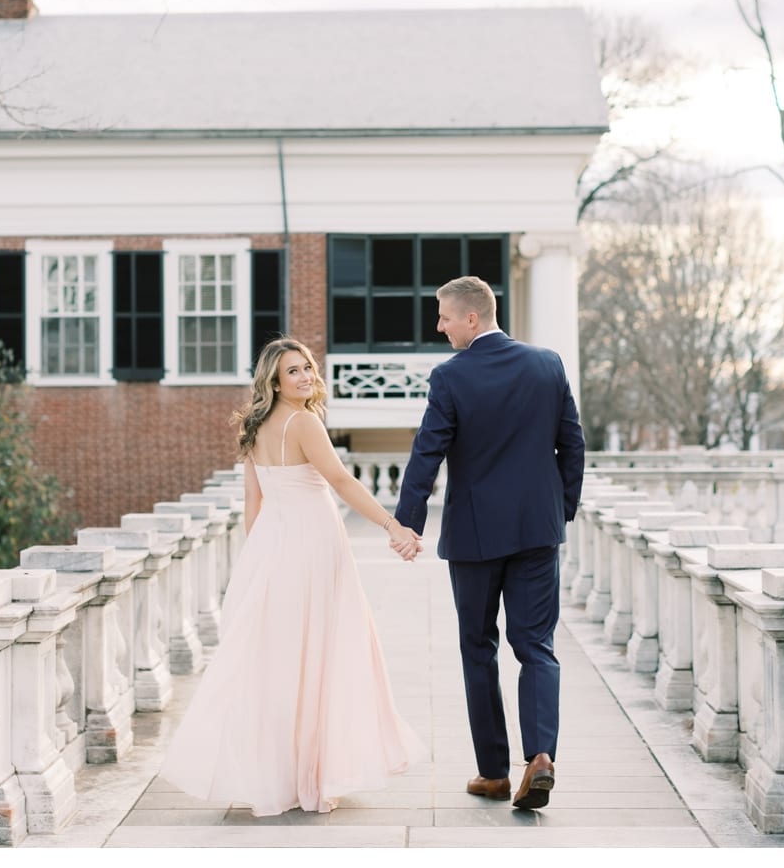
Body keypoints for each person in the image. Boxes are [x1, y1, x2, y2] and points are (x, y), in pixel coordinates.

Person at [158, 336, 426, 817]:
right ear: (275, 383)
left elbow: (254, 504)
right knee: (320, 654)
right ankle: (312, 777)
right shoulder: (304, 422)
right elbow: (341, 481)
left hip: (275, 547)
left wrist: (257, 557)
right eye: (293, 372)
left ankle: (286, 774)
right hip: (315, 546)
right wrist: (392, 525)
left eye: (306, 368)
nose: (305, 377)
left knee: (283, 661)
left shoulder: (255, 426)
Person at [393, 276, 586, 810]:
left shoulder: (451, 377)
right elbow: (572, 444)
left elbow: (426, 453)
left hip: (476, 538)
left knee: (479, 649)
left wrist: (407, 523)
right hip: (536, 533)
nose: (439, 327)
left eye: (444, 317)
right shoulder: (548, 364)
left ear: (472, 318)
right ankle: (541, 756)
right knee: (537, 647)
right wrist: (560, 510)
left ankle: (495, 774)